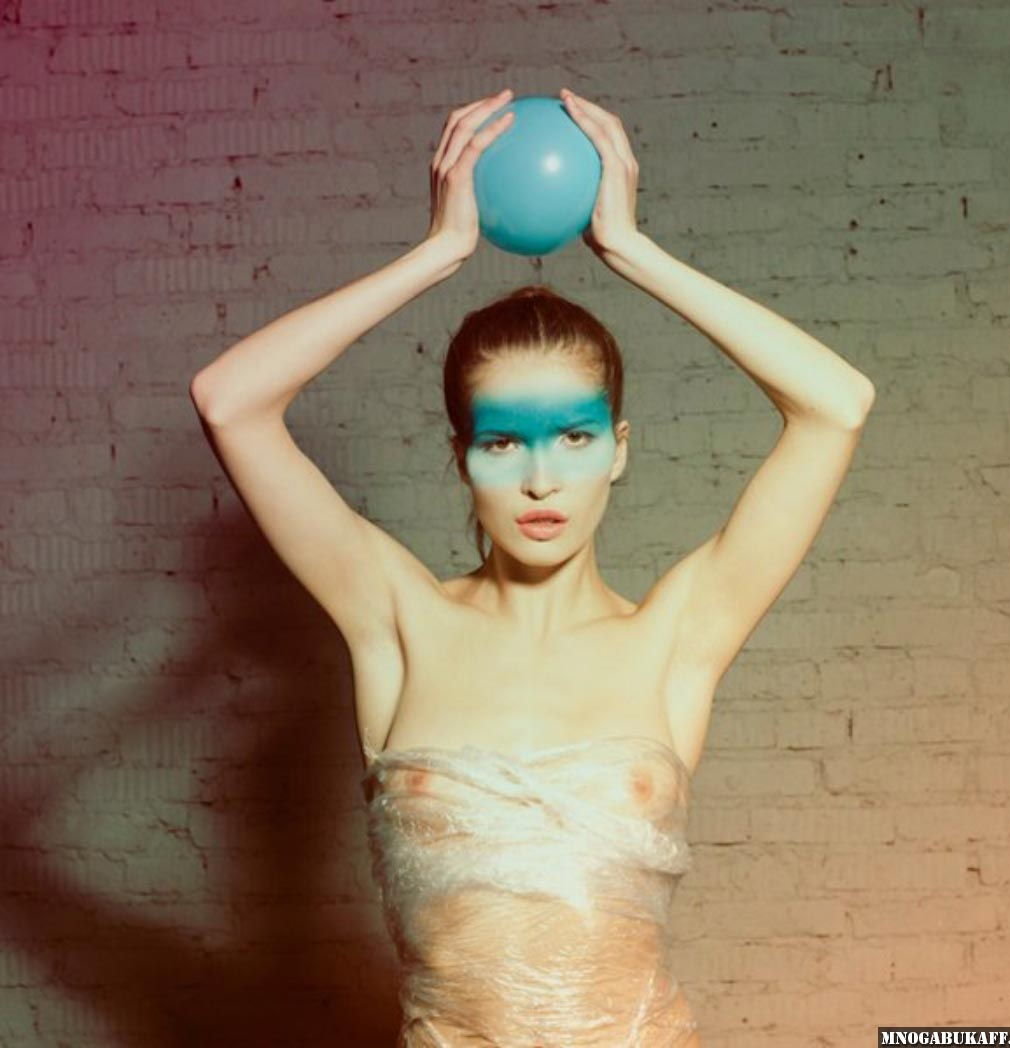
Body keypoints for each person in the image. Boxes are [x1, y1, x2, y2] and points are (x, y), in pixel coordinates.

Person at [190, 87, 875, 1047]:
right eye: (504, 441)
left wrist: (632, 249)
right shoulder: (399, 620)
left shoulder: (675, 636)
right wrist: (438, 253)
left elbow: (837, 406)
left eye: (575, 437)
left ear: (618, 450)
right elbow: (230, 401)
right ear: (462, 455)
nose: (541, 479)